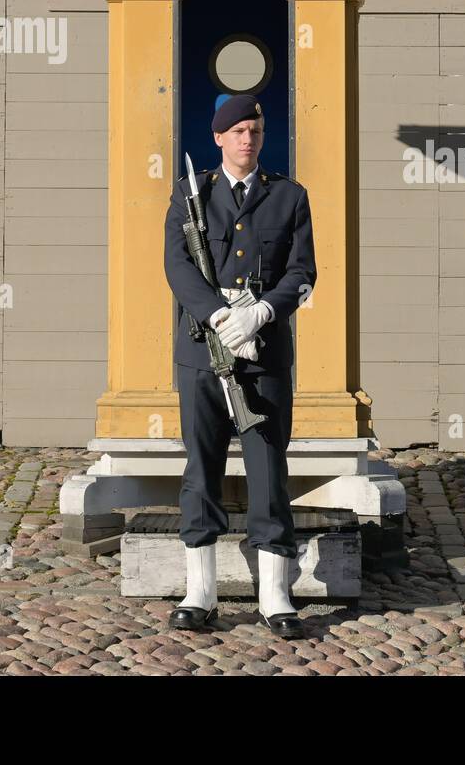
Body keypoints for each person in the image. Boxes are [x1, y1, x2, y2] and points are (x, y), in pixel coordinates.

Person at [162, 92, 316, 637]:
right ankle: (199, 591)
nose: (247, 139)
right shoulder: (191, 195)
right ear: (218, 138)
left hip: (264, 351)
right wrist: (218, 316)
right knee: (201, 467)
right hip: (204, 352)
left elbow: (302, 272)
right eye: (237, 131)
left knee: (268, 468)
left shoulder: (289, 197)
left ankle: (275, 593)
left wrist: (264, 313)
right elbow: (178, 268)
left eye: (254, 129)